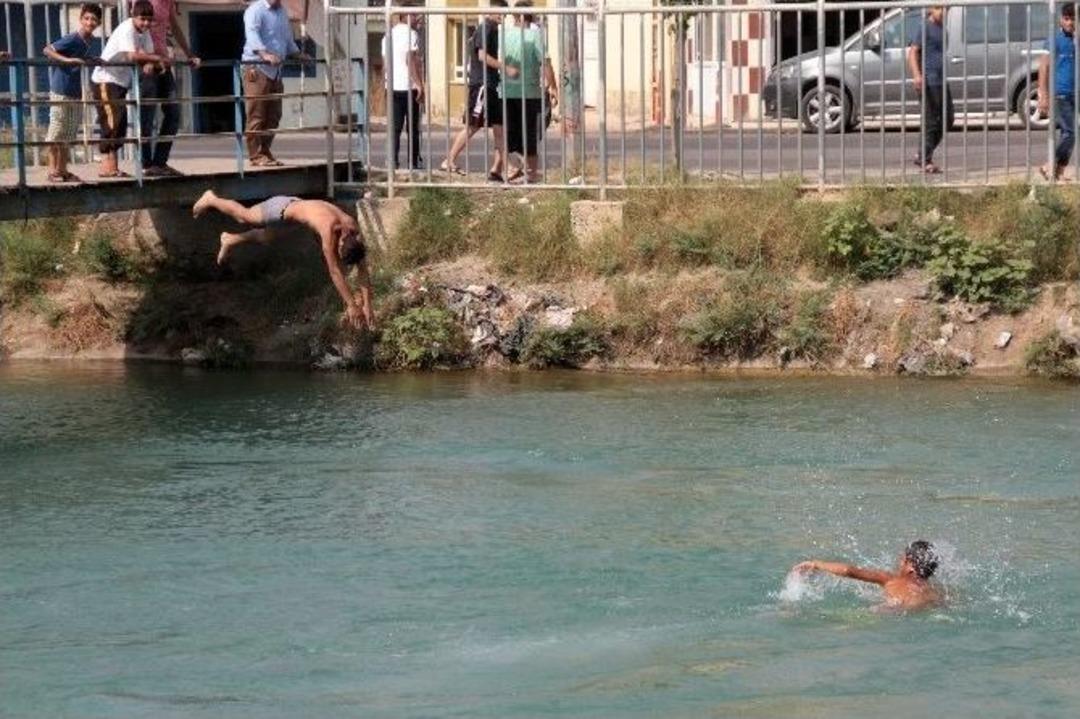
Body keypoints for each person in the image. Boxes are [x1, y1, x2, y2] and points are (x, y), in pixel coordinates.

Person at [192, 190, 375, 330]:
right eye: (338, 250)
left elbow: (363, 269)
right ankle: (211, 198)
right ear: (341, 242)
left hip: (295, 213)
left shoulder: (352, 229)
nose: (336, 251)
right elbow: (334, 271)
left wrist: (368, 306)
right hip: (281, 209)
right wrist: (351, 305)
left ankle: (229, 239)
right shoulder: (328, 230)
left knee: (266, 238)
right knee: (244, 216)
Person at [90, 1, 167, 179]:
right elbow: (131, 55)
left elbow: (145, 55)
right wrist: (155, 58)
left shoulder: (144, 32)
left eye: (149, 20)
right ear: (133, 15)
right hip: (105, 79)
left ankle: (112, 167)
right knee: (112, 121)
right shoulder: (127, 29)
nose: (146, 23)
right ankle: (106, 166)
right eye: (142, 19)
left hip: (120, 82)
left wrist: (149, 62)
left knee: (121, 121)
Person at [439, 0, 513, 180]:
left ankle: (500, 169)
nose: (503, 17)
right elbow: (482, 55)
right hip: (482, 85)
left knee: (499, 126)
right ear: (494, 12)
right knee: (472, 125)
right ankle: (449, 160)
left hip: (492, 84)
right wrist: (505, 67)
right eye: (501, 13)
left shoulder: (493, 29)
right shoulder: (486, 27)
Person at [242, 0, 310, 167]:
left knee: (273, 115)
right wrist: (264, 54)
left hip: (276, 70)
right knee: (256, 114)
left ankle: (265, 151)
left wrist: (297, 54)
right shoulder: (255, 10)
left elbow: (286, 38)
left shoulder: (281, 13)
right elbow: (252, 34)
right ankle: (256, 155)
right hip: (258, 68)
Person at [137, 0, 201, 177]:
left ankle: (160, 162)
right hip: (147, 64)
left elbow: (175, 27)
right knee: (147, 116)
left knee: (173, 113)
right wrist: (145, 58)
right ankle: (146, 164)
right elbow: (135, 28)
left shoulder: (168, 2)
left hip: (163, 62)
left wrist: (189, 54)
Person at [793, 540, 943, 611]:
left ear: (910, 567)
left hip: (891, 609)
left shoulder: (890, 579)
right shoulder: (936, 591)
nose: (899, 561)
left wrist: (816, 564)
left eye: (902, 559)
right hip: (921, 608)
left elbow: (848, 571)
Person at [42, 4, 101, 183]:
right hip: (61, 89)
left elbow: (79, 58)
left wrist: (91, 60)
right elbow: (47, 50)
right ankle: (52, 170)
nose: (90, 22)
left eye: (94, 20)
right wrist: (67, 60)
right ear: (81, 19)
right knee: (56, 130)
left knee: (69, 133)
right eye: (87, 18)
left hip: (75, 91)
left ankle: (62, 170)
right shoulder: (73, 38)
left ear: (98, 23)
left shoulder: (89, 40)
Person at [499, 1, 553, 184]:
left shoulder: (504, 34)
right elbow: (545, 62)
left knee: (510, 135)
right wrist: (553, 87)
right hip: (530, 92)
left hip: (506, 91)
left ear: (514, 15)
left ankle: (517, 168)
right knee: (530, 135)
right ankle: (530, 173)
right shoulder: (534, 34)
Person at [907, 6, 952, 174]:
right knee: (931, 121)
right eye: (939, 8)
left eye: (946, 9)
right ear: (931, 9)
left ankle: (923, 154)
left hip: (941, 81)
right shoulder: (924, 27)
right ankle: (925, 158)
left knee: (948, 119)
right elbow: (912, 53)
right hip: (928, 81)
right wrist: (917, 75)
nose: (943, 12)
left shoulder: (942, 29)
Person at [382, 5, 425, 171]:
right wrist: (419, 84)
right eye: (415, 15)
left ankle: (393, 161)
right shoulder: (411, 34)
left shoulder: (388, 35)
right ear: (405, 16)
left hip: (392, 86)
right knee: (413, 128)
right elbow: (411, 60)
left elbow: (385, 64)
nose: (418, 19)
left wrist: (385, 82)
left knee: (395, 128)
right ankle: (413, 162)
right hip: (408, 87)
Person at [1039, 4, 1077, 182]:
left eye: (1073, 18)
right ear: (1061, 19)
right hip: (1060, 93)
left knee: (1070, 133)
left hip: (1074, 93)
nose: (1070, 22)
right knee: (1069, 132)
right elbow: (1044, 67)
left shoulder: (1076, 40)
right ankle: (1049, 165)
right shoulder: (1054, 39)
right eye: (1067, 18)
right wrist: (1043, 94)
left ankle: (1058, 172)